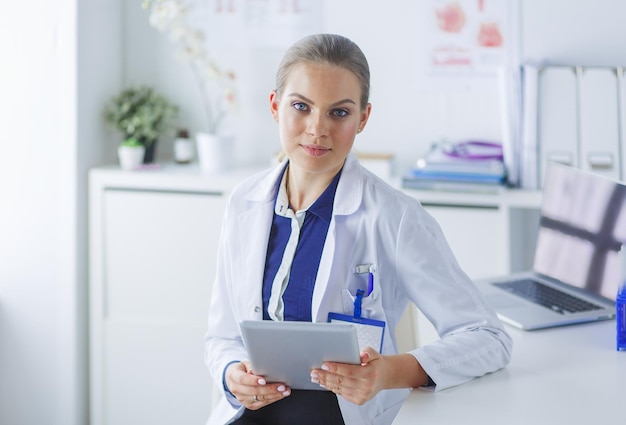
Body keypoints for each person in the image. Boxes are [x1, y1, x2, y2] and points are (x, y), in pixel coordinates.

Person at [204, 33, 512, 425]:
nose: (317, 129)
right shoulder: (244, 202)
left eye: (339, 112)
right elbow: (221, 336)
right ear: (275, 106)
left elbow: (488, 337)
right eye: (301, 106)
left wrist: (390, 372)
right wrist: (233, 375)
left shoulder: (395, 217)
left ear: (363, 118)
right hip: (250, 415)